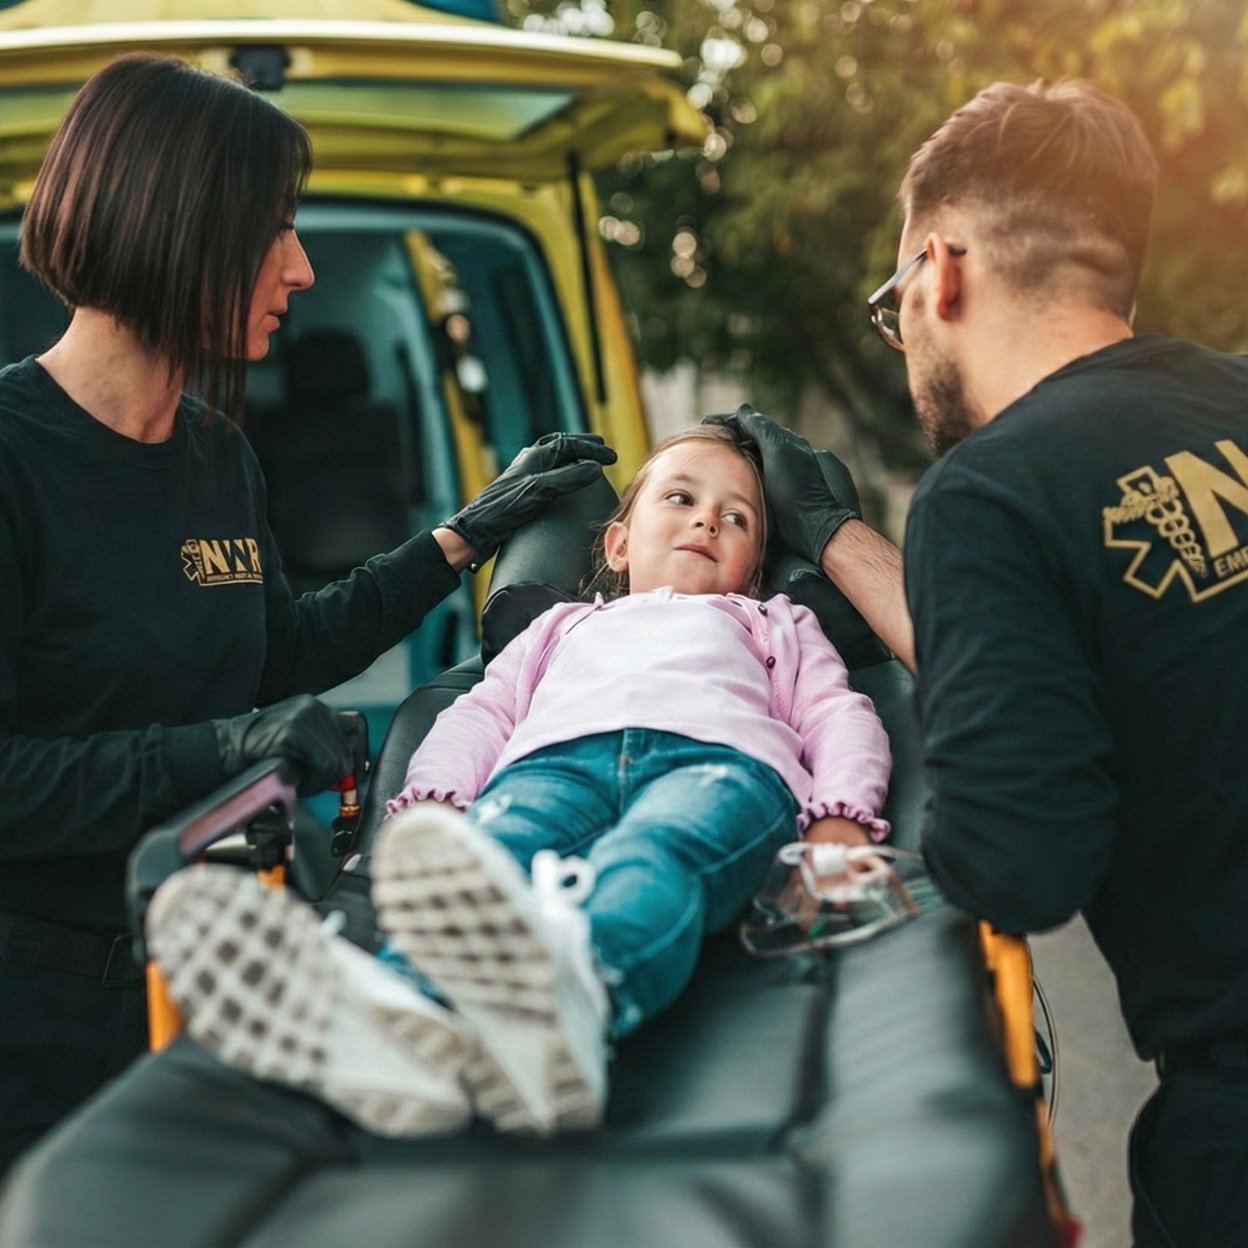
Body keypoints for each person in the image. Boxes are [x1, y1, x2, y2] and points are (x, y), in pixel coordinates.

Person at [0, 51, 614, 1172]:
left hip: (219, 976)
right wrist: (221, 751)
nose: (300, 264)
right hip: (37, 1027)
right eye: (274, 226)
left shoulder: (214, 452)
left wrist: (467, 535)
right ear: (178, 225)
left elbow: (282, 651)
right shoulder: (10, 459)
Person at [146, 423, 892, 1137]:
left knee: (654, 856)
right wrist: (431, 803)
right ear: (618, 543)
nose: (707, 522)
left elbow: (839, 714)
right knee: (493, 851)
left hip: (721, 766)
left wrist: (840, 816)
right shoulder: (558, 627)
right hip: (553, 765)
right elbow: (481, 717)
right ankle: (398, 1017)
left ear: (753, 572)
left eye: (738, 519)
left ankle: (578, 991)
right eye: (681, 498)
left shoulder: (775, 624)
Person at [866, 79, 1248, 1247]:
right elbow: (1137, 658)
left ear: (941, 269)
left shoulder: (988, 495)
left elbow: (1020, 862)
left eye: (893, 304)